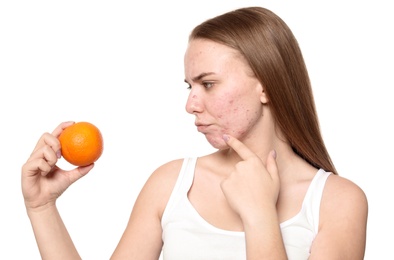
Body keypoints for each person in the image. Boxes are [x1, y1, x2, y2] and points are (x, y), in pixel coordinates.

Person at [21, 6, 368, 260]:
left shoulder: (338, 203)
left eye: (209, 83)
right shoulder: (171, 183)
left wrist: (260, 214)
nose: (190, 104)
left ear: (266, 85)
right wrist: (42, 208)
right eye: (190, 85)